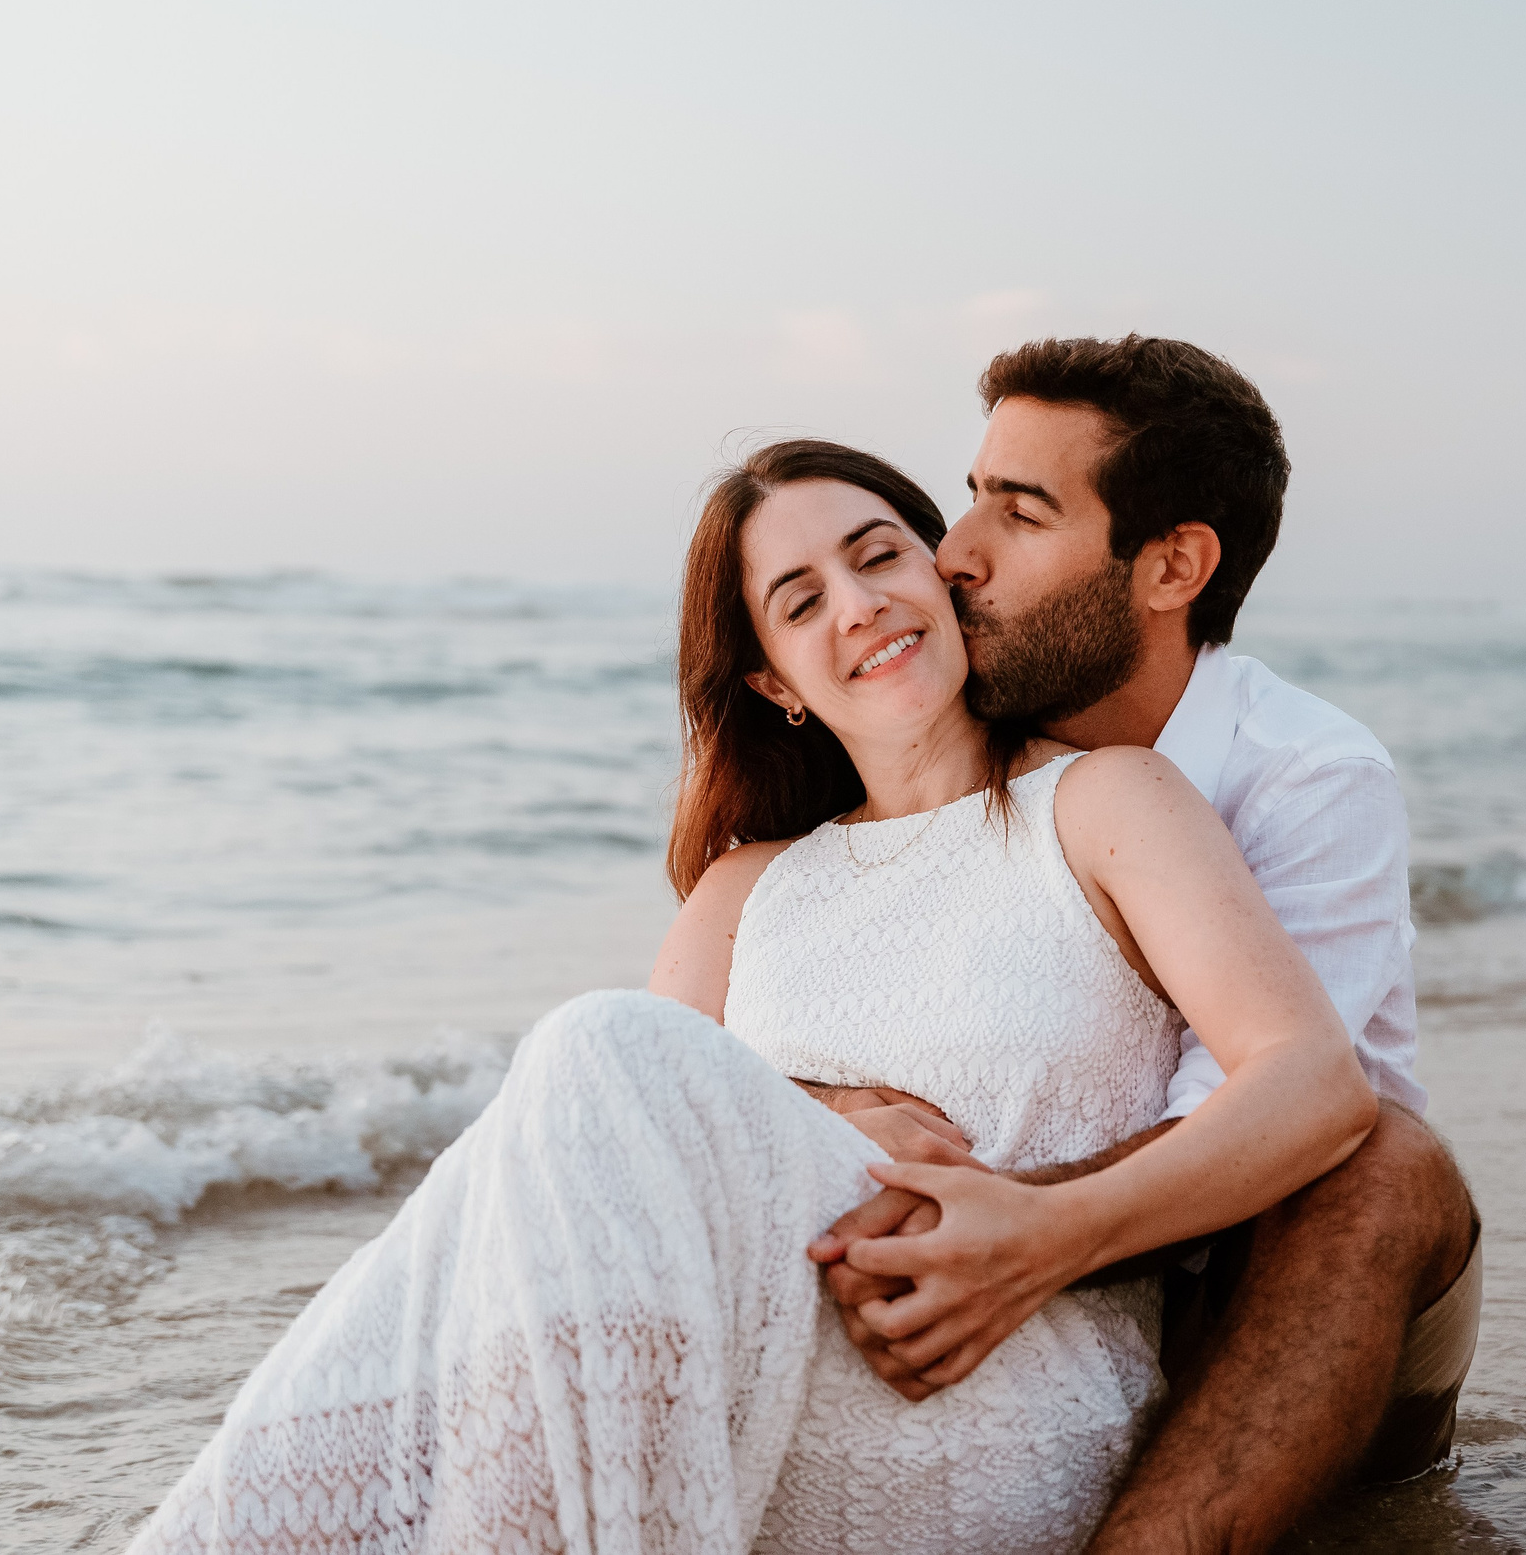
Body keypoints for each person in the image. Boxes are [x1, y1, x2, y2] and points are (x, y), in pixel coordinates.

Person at [128, 438, 1379, 1554]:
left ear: (938, 574)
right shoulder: (745, 887)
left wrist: (1055, 1228)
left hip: (997, 1386)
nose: (860, 602)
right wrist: (809, 1109)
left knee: (595, 1043)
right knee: (554, 1119)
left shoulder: (1105, 802)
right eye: (800, 599)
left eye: (878, 553)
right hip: (738, 1396)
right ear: (775, 680)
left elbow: (1312, 1079)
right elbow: (623, 1163)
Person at [805, 335, 1484, 1553]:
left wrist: (998, 1216)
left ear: (1173, 564)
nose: (952, 554)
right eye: (968, 497)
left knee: (1380, 1157)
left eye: (1019, 512)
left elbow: (1278, 1121)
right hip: (1013, 1260)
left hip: (1295, 1279)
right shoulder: (925, 718)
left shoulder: (1303, 773)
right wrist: (818, 1106)